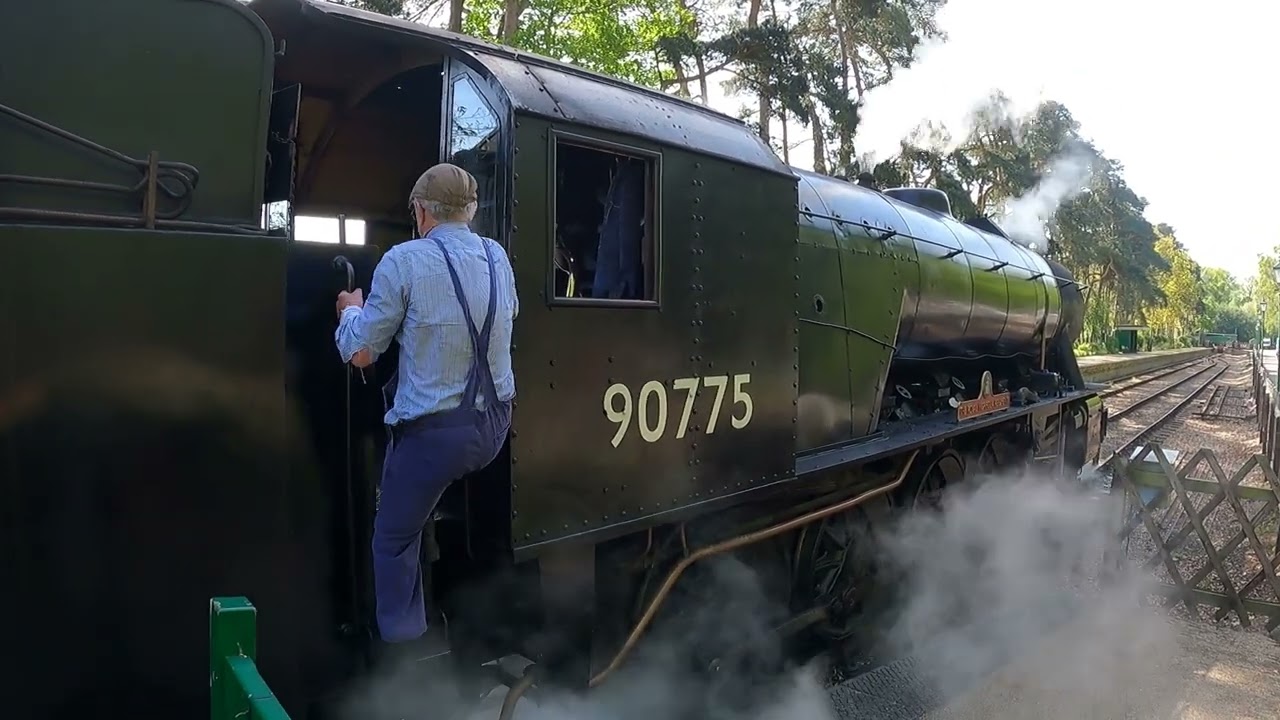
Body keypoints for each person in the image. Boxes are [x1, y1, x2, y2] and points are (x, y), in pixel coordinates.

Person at [333, 162, 518, 662]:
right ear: (471, 211)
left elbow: (362, 353)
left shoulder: (403, 261)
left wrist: (350, 307)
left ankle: (402, 646)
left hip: (436, 440)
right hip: (495, 427)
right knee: (434, 488)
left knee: (392, 539)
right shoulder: (497, 256)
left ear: (419, 210)